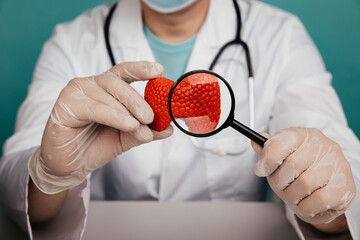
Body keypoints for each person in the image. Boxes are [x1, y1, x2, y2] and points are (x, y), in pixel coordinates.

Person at [0, 0, 359, 239]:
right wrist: (49, 173)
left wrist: (327, 196)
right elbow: (23, 196)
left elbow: (335, 155)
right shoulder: (72, 41)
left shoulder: (279, 36)